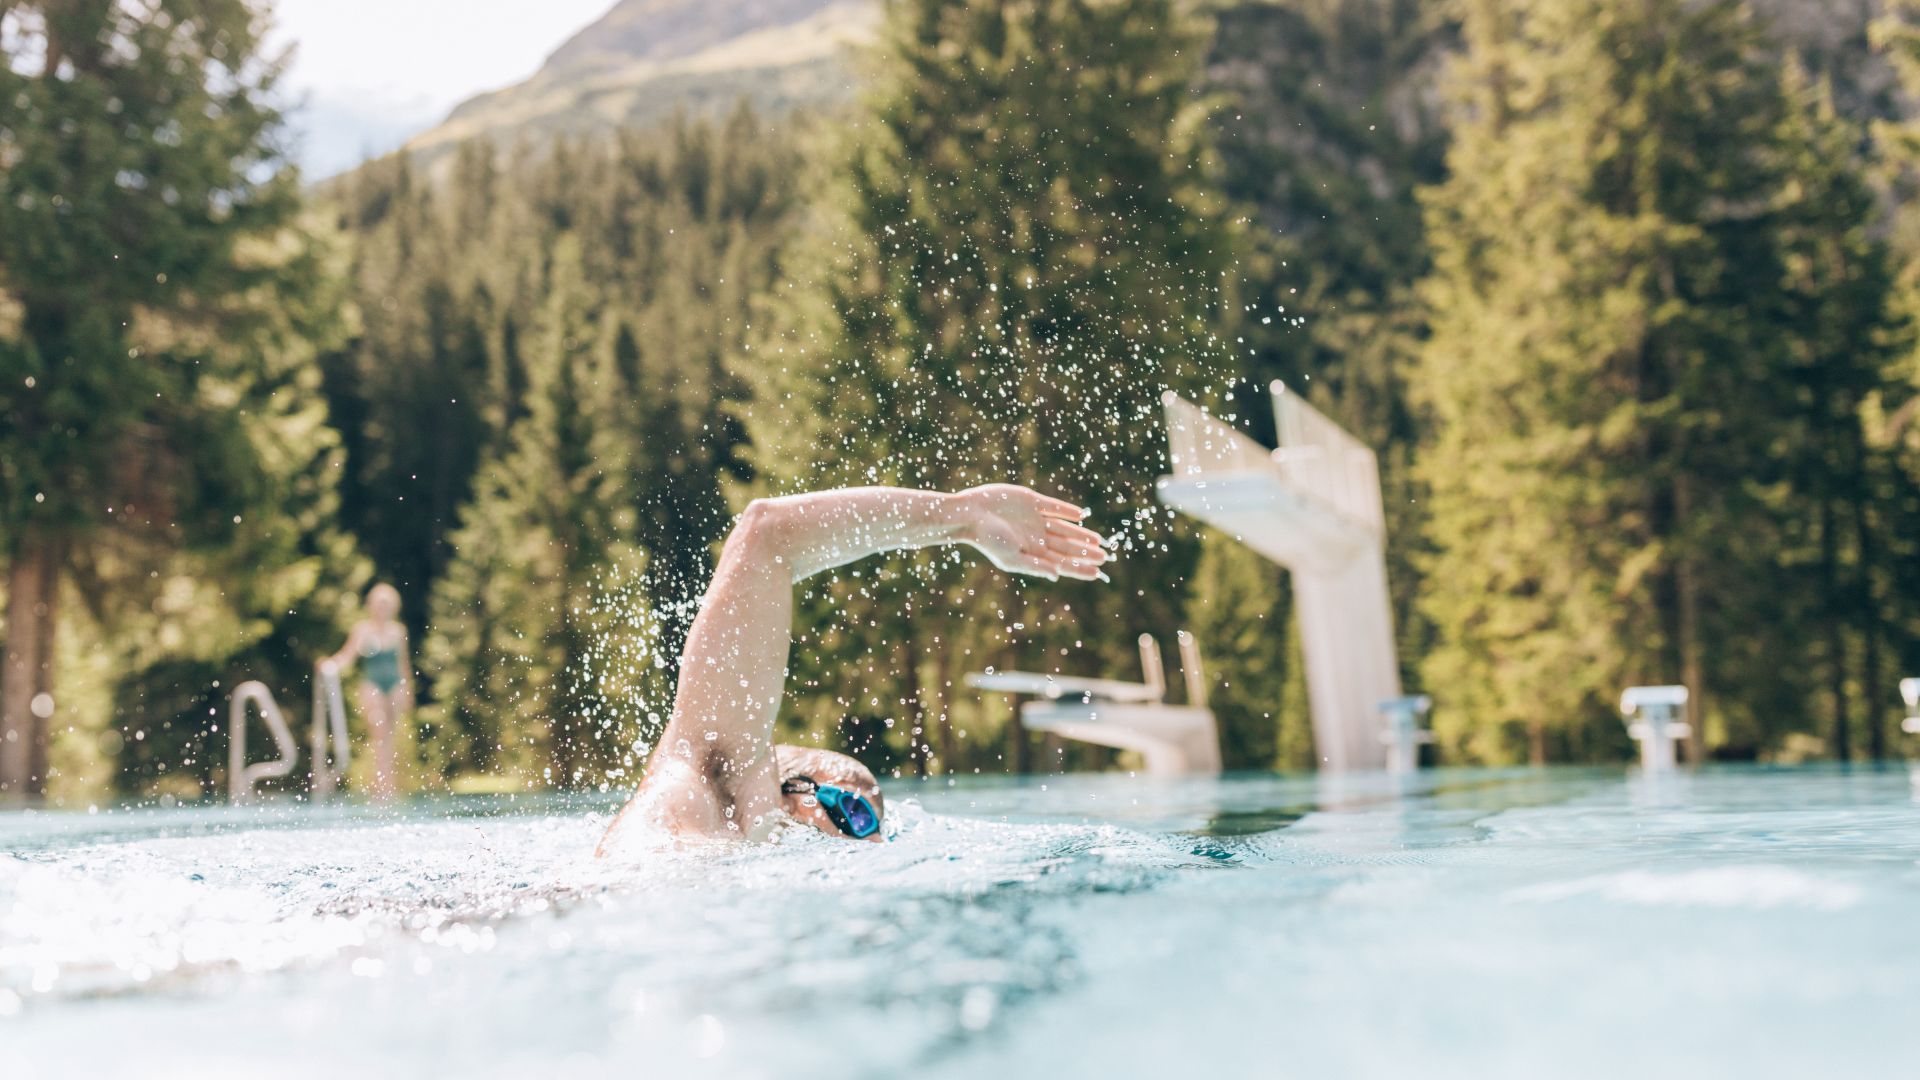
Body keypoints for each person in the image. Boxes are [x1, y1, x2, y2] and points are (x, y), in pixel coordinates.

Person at [598, 484, 1109, 851]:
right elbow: (765, 532)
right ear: (795, 793)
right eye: (858, 816)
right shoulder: (713, 776)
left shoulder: (753, 850)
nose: (871, 838)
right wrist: (963, 516)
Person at [319, 583, 414, 801]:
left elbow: (404, 665)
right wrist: (330, 664)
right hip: (372, 684)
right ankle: (379, 786)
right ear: (371, 605)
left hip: (394, 684)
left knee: (389, 738)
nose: (383, 608)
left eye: (386, 604)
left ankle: (388, 786)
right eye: (379, 604)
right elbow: (347, 656)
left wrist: (408, 690)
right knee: (379, 732)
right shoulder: (362, 629)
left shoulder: (399, 632)